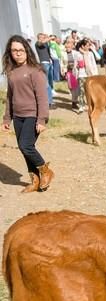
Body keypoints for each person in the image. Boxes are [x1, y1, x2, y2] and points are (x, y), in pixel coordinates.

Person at [2, 35, 55, 193]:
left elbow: (42, 97)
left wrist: (42, 120)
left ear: (26, 50)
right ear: (10, 53)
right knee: (24, 148)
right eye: (13, 50)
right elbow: (10, 97)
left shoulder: (35, 70)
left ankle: (46, 172)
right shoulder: (11, 72)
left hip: (33, 114)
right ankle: (36, 181)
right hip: (18, 116)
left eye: (20, 50)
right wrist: (7, 118)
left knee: (25, 145)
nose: (17, 53)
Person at [34, 33, 54, 109]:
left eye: (43, 37)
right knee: (46, 84)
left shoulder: (45, 44)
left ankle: (49, 101)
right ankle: (49, 102)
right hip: (44, 64)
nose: (43, 38)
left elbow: (48, 49)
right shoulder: (38, 43)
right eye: (42, 37)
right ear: (39, 37)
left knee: (49, 82)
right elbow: (41, 42)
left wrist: (47, 37)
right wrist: (49, 38)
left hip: (48, 63)